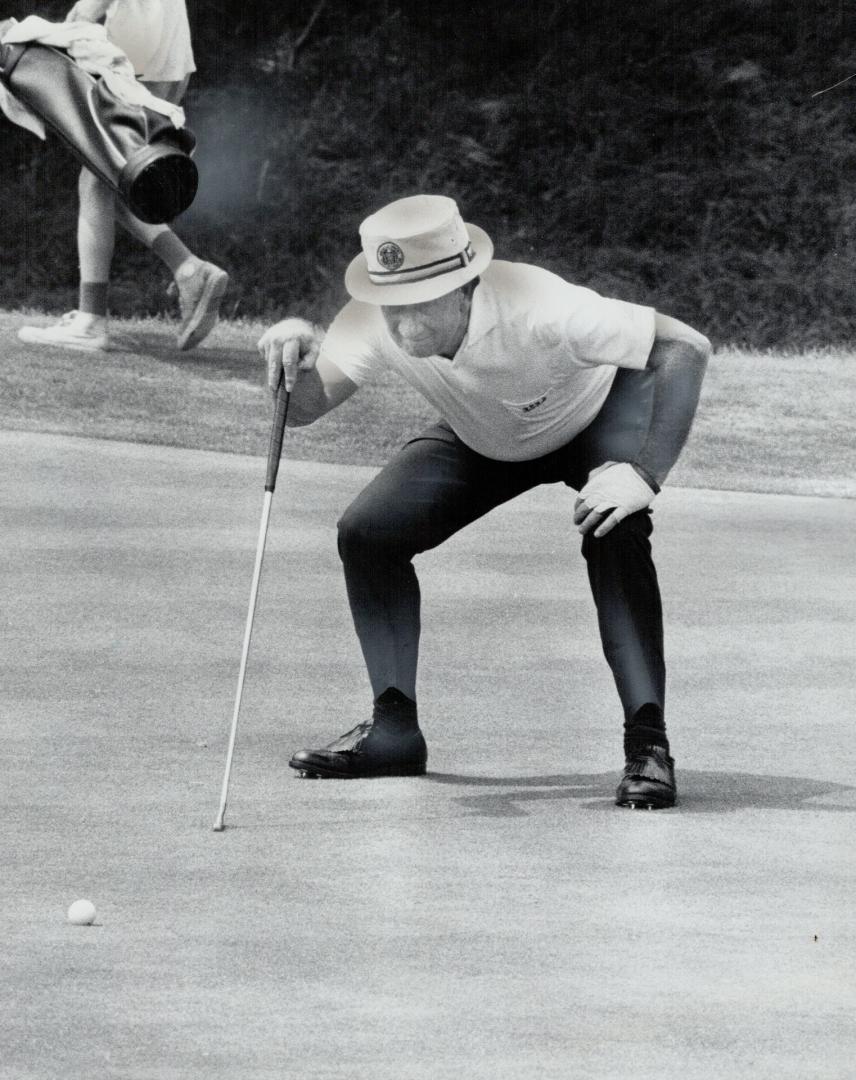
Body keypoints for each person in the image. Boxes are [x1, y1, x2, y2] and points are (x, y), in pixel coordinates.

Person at [258, 194, 710, 809]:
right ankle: (394, 733)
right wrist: (293, 354)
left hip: (595, 418)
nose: (402, 325)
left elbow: (685, 348)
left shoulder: (541, 305)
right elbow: (308, 407)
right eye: (391, 306)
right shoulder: (371, 318)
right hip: (486, 437)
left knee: (615, 524)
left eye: (420, 304)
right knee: (367, 531)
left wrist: (645, 473)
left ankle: (648, 744)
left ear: (466, 285)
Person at [18, 0, 227, 353]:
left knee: (96, 177)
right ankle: (189, 270)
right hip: (170, 47)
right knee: (116, 176)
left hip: (136, 44)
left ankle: (89, 321)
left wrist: (80, 18)